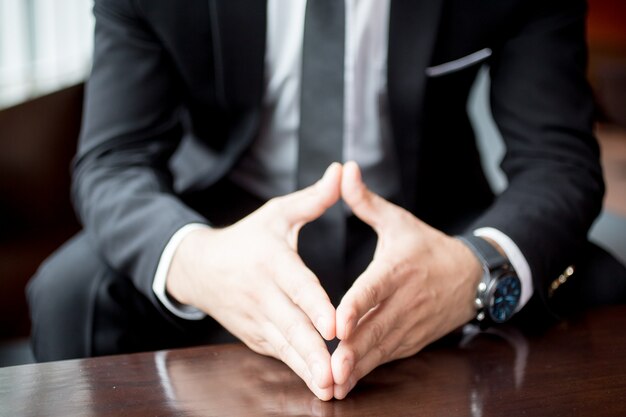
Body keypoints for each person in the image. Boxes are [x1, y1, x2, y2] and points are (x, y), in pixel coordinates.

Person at [27, 0, 626, 401]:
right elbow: (113, 161)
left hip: (431, 223)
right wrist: (200, 262)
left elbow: (558, 162)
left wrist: (474, 269)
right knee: (68, 290)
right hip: (224, 221)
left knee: (601, 283)